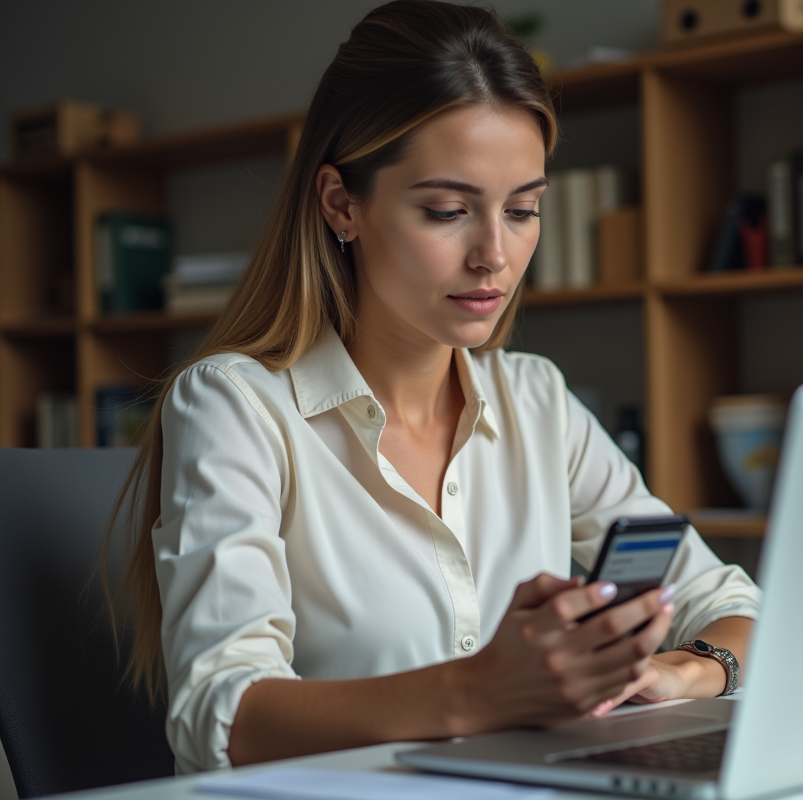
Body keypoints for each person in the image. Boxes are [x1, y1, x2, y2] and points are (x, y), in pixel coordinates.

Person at [105, 0, 760, 774]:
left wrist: (686, 670)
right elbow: (221, 715)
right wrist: (482, 690)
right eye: (448, 211)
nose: (495, 255)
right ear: (342, 204)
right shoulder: (234, 405)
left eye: (523, 210)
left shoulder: (538, 403)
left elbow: (735, 608)